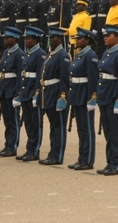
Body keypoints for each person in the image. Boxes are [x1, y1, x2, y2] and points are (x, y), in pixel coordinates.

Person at [95, 24, 118, 176]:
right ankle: (110, 161)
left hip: (113, 96)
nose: (105, 38)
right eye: (105, 35)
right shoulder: (107, 53)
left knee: (116, 132)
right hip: (104, 95)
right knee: (108, 132)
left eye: (109, 35)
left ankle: (116, 164)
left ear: (117, 37)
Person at [38, 27, 71, 166]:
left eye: (54, 38)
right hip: (48, 93)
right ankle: (52, 152)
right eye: (50, 38)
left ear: (60, 39)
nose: (51, 40)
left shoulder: (62, 55)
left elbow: (65, 79)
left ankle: (57, 155)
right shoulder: (50, 54)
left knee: (59, 127)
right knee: (53, 126)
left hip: (57, 93)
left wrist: (62, 97)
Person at [67, 28, 99, 171]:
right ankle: (82, 157)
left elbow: (93, 79)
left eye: (79, 38)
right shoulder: (79, 55)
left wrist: (92, 98)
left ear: (87, 40)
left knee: (87, 129)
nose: (76, 41)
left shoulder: (90, 55)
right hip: (77, 95)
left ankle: (88, 160)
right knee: (81, 129)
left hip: (85, 95)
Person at [17, 26, 46, 162]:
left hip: (33, 92)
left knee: (36, 123)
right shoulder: (28, 53)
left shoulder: (40, 54)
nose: (26, 41)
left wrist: (37, 93)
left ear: (35, 40)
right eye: (25, 38)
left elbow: (39, 76)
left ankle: (34, 151)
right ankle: (29, 148)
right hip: (25, 91)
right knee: (28, 122)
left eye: (28, 39)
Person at [0, 25, 23, 158]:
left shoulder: (19, 54)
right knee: (7, 119)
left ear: (15, 39)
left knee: (13, 119)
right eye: (4, 37)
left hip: (12, 89)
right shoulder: (6, 52)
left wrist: (18, 93)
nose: (5, 40)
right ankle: (7, 144)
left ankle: (13, 146)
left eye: (8, 38)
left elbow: (19, 75)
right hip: (4, 89)